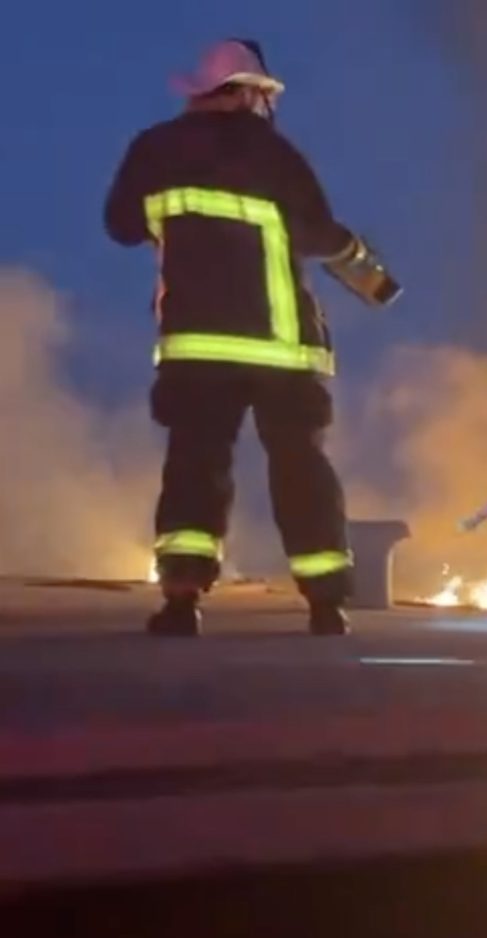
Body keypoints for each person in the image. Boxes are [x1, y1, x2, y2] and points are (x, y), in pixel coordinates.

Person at [105, 39, 394, 637]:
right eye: (261, 94)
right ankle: (325, 603)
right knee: (299, 465)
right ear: (243, 92)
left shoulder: (153, 149)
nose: (265, 105)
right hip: (279, 347)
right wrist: (376, 282)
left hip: (196, 347)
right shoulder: (273, 153)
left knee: (194, 465)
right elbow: (319, 233)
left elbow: (121, 226)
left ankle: (182, 600)